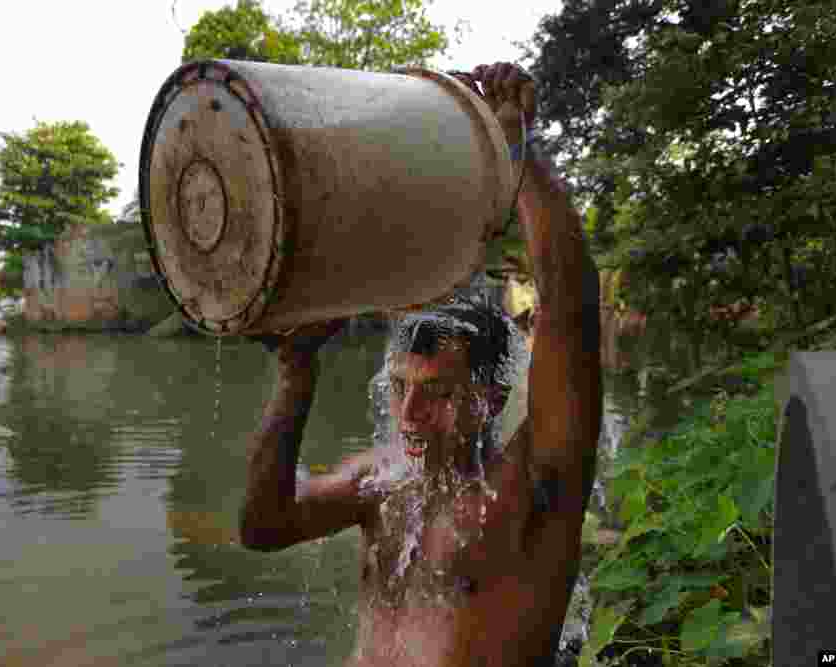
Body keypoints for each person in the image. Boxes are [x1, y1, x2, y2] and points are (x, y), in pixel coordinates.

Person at [238, 62, 603, 667]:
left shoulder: (532, 485)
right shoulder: (379, 485)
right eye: (401, 385)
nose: (407, 412)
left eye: (435, 392)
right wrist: (296, 377)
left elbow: (570, 307)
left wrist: (516, 152)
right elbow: (263, 528)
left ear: (486, 399)